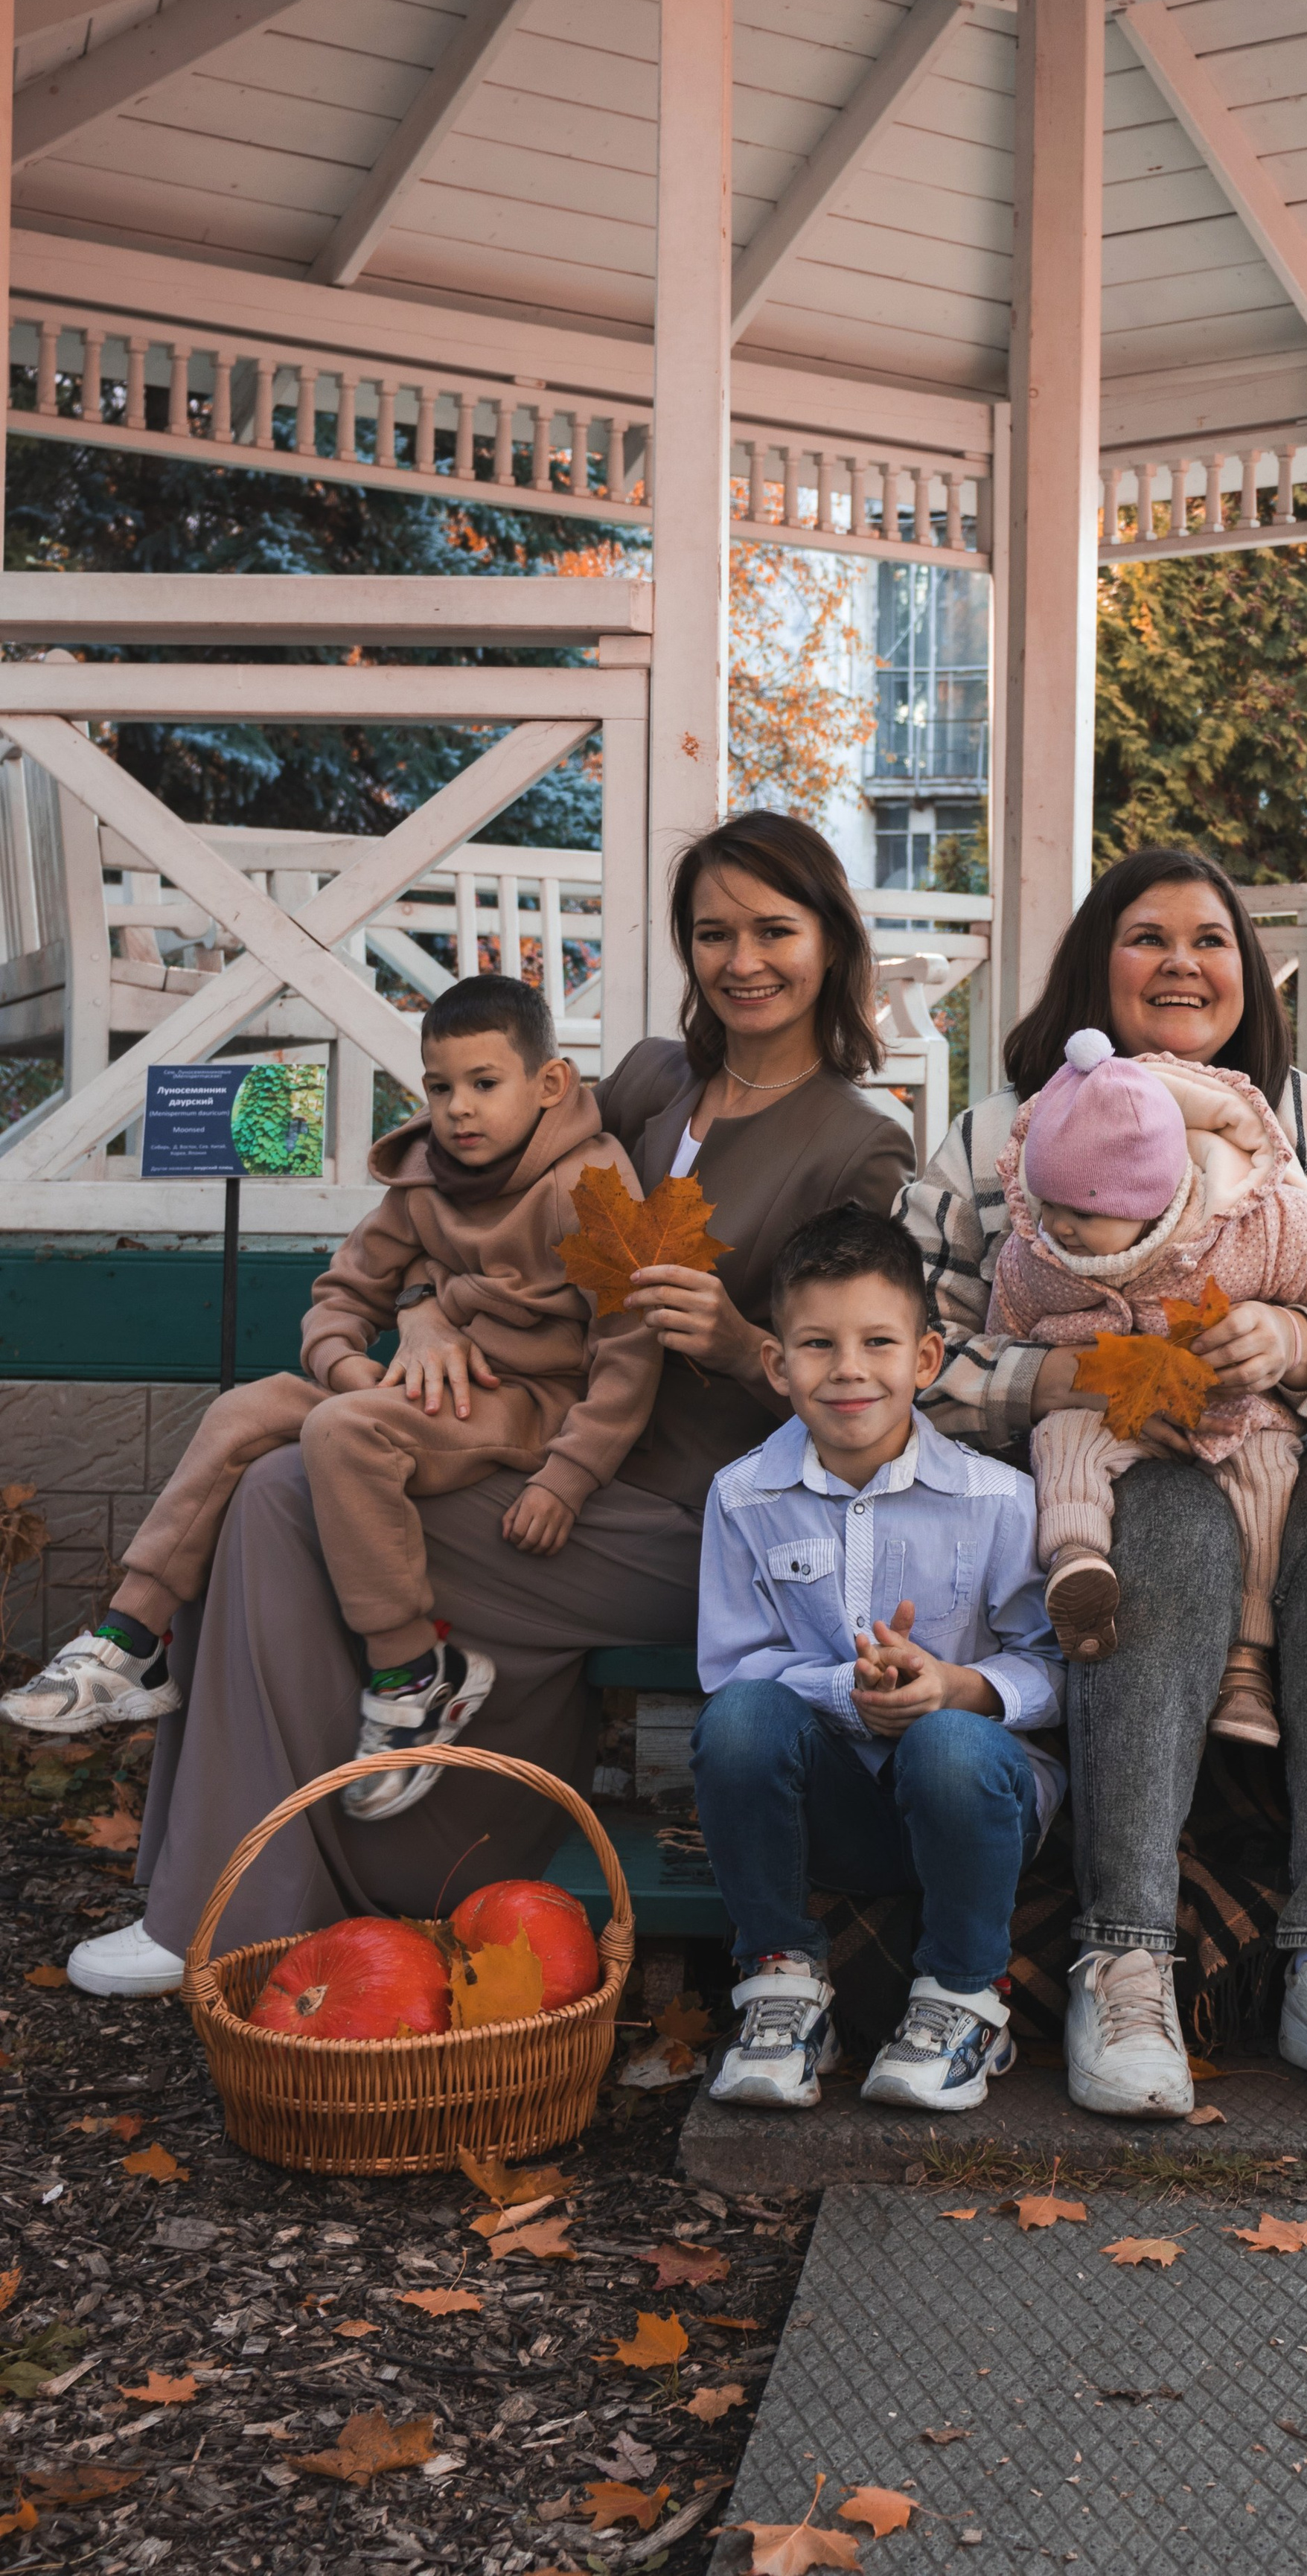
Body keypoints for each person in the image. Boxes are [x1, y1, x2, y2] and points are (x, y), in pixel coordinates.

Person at [68, 813, 913, 1996]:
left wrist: (740, 1342)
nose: (743, 960)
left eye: (776, 928)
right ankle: (241, 1887)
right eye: (713, 932)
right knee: (277, 1478)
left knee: (285, 1488)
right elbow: (473, 1210)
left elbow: (866, 1390)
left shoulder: (858, 1146)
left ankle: (232, 1900)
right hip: (536, 1442)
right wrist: (419, 1308)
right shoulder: (647, 1083)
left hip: (695, 1517)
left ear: (832, 939)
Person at [899, 846, 1307, 2122]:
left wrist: (1304, 1349)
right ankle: (1125, 1954)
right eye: (1148, 937)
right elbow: (917, 1353)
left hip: (1288, 1458)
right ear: (1098, 965)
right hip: (1097, 1477)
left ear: (1249, 974)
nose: (1184, 962)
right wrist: (1070, 1381)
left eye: (1211, 939)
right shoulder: (998, 1133)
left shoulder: (1306, 1126)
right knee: (1169, 1514)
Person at [10, 977, 662, 1823]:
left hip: (528, 1400)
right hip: (415, 1388)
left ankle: (414, 1670)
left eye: (484, 1083)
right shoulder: (424, 1181)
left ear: (549, 1084)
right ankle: (131, 1643)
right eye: (439, 1086)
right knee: (240, 1413)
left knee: (345, 1434)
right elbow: (342, 1294)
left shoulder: (592, 1187)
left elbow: (629, 1343)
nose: (458, 1109)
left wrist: (568, 1477)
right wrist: (350, 1366)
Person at [988, 1026, 1307, 1749]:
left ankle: (1246, 1664)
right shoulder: (1041, 1252)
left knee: (1267, 1477)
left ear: (1153, 1198)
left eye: (1083, 1212)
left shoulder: (1252, 1224)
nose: (1059, 1230)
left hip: (1231, 1407)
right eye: (1047, 1207)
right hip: (1104, 1406)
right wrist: (1040, 1374)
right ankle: (1077, 1569)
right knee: (1063, 1443)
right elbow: (1006, 1321)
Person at [694, 1206, 1063, 2115]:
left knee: (944, 1745)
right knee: (737, 1720)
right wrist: (843, 1696)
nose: (849, 1369)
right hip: (835, 1809)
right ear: (778, 1365)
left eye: (877, 1342)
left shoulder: (999, 1501)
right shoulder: (744, 1498)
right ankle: (781, 1985)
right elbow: (730, 1671)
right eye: (816, 1344)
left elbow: (1059, 1669)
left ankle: (962, 1998)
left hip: (977, 1799)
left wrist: (954, 1688)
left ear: (925, 1360)